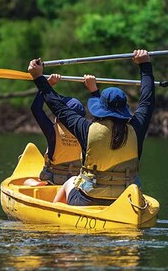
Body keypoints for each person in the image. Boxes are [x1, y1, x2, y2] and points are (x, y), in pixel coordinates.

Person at [27, 50, 154, 206]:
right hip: (124, 201)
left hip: (88, 200)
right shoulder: (137, 129)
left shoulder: (87, 130)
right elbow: (147, 101)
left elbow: (58, 106)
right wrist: (145, 65)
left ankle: (56, 217)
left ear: (100, 110)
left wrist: (39, 78)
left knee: (71, 182)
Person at [25, 73, 86, 189]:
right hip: (76, 182)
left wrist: (46, 85)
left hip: (53, 181)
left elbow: (36, 108)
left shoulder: (52, 131)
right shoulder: (86, 131)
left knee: (28, 182)